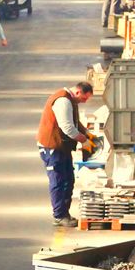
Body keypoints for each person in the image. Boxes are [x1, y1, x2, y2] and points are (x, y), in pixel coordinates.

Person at [37, 81, 98, 228]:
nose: (84, 102)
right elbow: (67, 127)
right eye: (84, 99)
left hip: (62, 147)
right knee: (58, 181)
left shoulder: (71, 100)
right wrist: (83, 139)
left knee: (68, 180)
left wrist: (88, 134)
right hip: (52, 147)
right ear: (78, 92)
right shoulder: (63, 101)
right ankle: (59, 216)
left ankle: (64, 213)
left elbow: (75, 122)